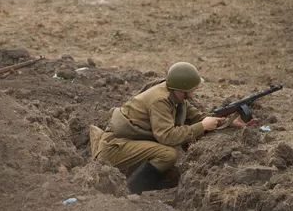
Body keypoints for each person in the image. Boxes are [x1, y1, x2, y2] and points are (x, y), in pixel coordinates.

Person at [90, 62, 254, 194]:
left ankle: (140, 189)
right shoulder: (160, 101)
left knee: (172, 176)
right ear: (183, 89)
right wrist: (202, 126)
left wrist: (228, 122)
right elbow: (167, 137)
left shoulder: (175, 96)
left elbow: (198, 117)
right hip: (113, 149)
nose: (196, 90)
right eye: (194, 88)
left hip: (128, 143)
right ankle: (128, 191)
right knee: (167, 155)